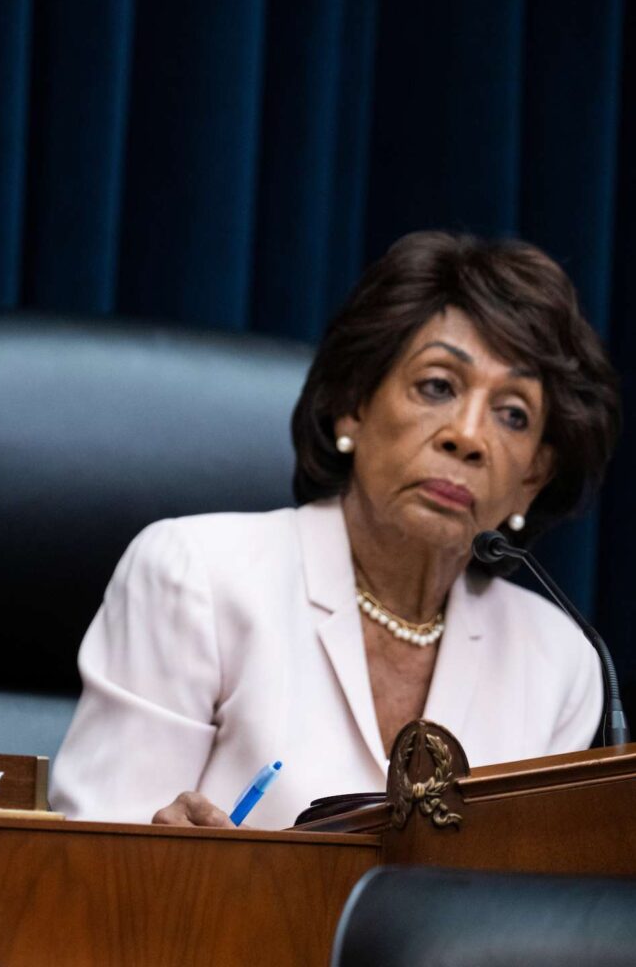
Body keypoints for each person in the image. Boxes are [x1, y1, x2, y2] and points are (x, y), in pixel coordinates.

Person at [49, 231, 621, 828]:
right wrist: (192, 872)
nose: (469, 436)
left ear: (533, 476)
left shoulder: (558, 662)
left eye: (513, 414)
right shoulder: (197, 578)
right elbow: (96, 869)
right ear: (353, 405)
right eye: (437, 386)